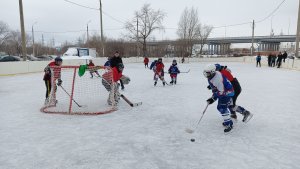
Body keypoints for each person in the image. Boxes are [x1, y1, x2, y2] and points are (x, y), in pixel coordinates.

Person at [203, 64, 235, 133]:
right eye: (206, 72)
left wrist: (213, 98)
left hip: (227, 93)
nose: (206, 74)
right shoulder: (213, 73)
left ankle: (229, 124)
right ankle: (228, 121)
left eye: (208, 73)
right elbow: (217, 66)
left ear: (212, 72)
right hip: (223, 91)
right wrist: (213, 97)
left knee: (222, 107)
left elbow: (221, 92)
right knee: (221, 107)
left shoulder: (217, 79)